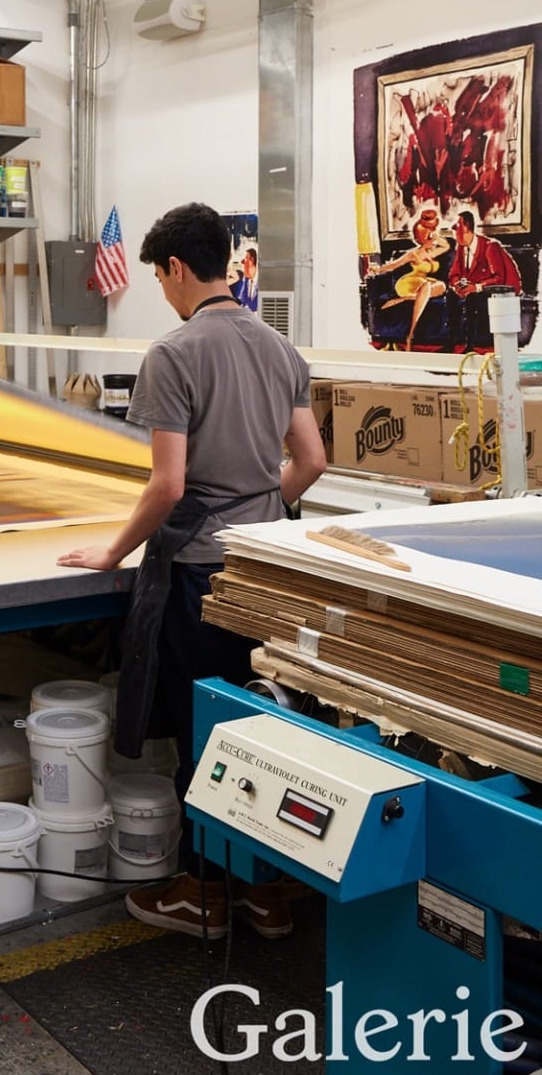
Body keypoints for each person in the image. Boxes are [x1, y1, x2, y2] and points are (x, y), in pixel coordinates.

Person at [57, 203, 326, 939]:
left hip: (201, 577)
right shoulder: (281, 348)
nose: (162, 291)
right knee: (264, 723)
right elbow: (311, 461)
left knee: (203, 732)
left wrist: (111, 551)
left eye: (157, 277)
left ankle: (203, 893)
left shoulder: (173, 354)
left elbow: (169, 485)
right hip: (265, 572)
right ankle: (266, 894)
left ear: (177, 268)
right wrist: (259, 512)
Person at [369, 207, 449, 351]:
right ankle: (410, 334)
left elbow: (446, 245)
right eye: (430, 235)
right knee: (427, 287)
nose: (433, 238)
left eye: (433, 232)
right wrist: (378, 269)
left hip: (424, 283)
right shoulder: (414, 254)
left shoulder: (433, 252)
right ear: (423, 237)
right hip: (410, 283)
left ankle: (405, 299)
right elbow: (394, 265)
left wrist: (435, 236)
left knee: (442, 286)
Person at [446, 209, 522, 350]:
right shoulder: (461, 248)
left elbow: (499, 278)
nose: (453, 230)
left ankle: (470, 345)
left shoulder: (490, 246)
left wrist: (475, 287)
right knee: (450, 295)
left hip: (493, 290)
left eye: (456, 226)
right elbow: (454, 273)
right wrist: (457, 285)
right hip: (472, 288)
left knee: (472, 299)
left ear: (466, 227)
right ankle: (451, 342)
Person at [229, 246, 258, 311]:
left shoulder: (261, 285)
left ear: (252, 260)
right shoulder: (244, 281)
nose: (242, 263)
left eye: (246, 258)